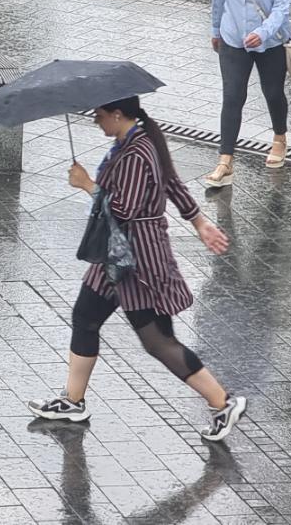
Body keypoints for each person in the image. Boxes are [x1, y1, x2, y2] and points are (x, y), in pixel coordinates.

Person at [28, 97, 249, 443]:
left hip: (136, 262)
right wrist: (199, 221)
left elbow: (124, 209)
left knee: (158, 342)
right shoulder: (137, 141)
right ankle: (72, 401)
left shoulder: (135, 154)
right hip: (115, 255)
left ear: (118, 114)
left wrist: (86, 183)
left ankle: (222, 402)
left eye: (100, 115)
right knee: (85, 317)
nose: (97, 121)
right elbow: (173, 184)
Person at [204, 0, 291, 187]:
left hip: (269, 42)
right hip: (233, 39)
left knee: (273, 93)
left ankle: (280, 137)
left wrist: (263, 32)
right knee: (232, 97)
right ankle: (225, 160)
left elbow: (282, 7)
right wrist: (216, 29)